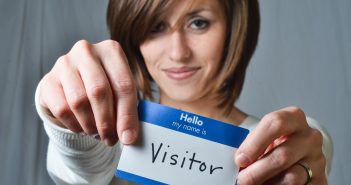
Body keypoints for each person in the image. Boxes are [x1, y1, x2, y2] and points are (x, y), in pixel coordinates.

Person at [35, 0, 333, 184]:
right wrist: (63, 112)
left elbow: (307, 154)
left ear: (234, 27)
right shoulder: (107, 140)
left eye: (198, 23)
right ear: (133, 36)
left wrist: (301, 169)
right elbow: (81, 167)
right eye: (156, 27)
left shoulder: (285, 143)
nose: (178, 53)